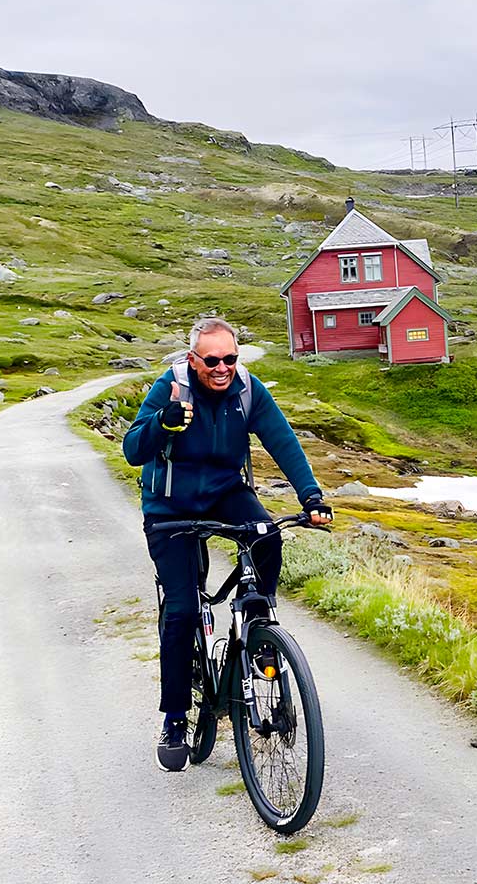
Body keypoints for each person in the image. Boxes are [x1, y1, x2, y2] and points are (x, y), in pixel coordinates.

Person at [122, 316, 332, 771]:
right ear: (193, 358)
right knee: (180, 609)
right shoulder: (172, 387)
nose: (222, 368)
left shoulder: (247, 390)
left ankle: (257, 631)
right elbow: (133, 449)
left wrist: (311, 495)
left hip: (223, 494)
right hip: (169, 508)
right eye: (212, 360)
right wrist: (164, 423)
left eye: (230, 358)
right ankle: (175, 717)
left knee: (267, 535)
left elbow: (283, 441)